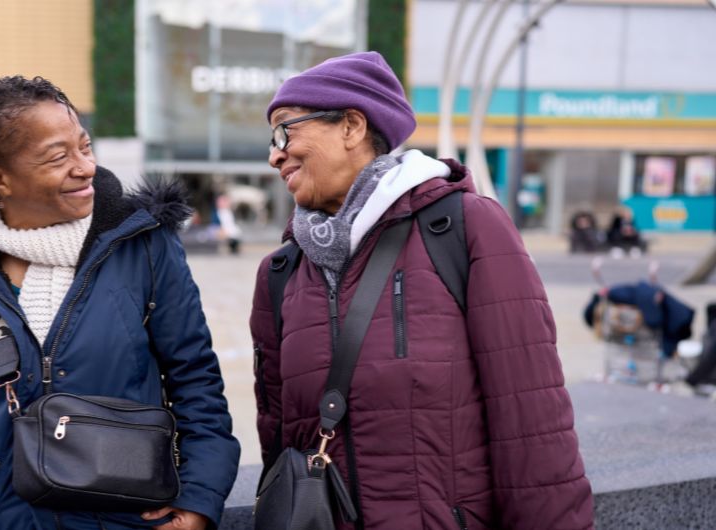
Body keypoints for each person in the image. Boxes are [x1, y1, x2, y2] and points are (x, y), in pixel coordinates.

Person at [250, 52, 594, 529]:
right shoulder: (280, 272)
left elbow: (532, 423)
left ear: (351, 126)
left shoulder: (464, 227)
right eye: (272, 139)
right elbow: (278, 444)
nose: (274, 154)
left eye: (286, 130)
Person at [0, 76, 239, 530]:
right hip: (5, 520)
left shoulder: (144, 245)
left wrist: (199, 498)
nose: (85, 167)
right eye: (57, 157)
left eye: (85, 147)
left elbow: (197, 382)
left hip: (130, 518)